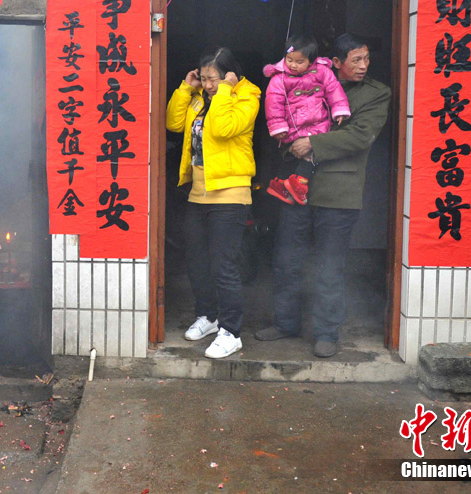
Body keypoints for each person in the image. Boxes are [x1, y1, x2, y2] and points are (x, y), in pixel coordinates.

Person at [255, 33, 391, 358]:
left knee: (329, 267)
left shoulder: (376, 93)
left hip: (339, 192)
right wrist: (290, 142)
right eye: (356, 60)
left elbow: (360, 135)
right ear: (337, 62)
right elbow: (282, 118)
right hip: (295, 187)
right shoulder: (302, 78)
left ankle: (327, 332)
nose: (363, 65)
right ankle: (285, 323)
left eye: (366, 59)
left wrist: (313, 144)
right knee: (286, 259)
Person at [166, 47, 262, 359]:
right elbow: (173, 124)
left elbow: (222, 130)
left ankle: (231, 332)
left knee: (224, 265)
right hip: (199, 192)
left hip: (231, 193)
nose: (208, 84)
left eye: (214, 78)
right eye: (204, 78)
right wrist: (186, 87)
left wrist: (224, 91)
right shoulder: (200, 98)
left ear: (230, 75)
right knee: (196, 259)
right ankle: (208, 316)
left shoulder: (247, 96)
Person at [263, 34, 351, 205]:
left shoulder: (322, 71)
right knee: (300, 155)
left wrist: (339, 110)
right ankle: (298, 184)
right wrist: (278, 126)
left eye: (299, 62)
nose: (293, 65)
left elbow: (334, 90)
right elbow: (273, 103)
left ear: (311, 61)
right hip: (293, 126)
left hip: (318, 122)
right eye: (289, 60)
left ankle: (281, 183)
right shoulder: (279, 77)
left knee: (312, 151)